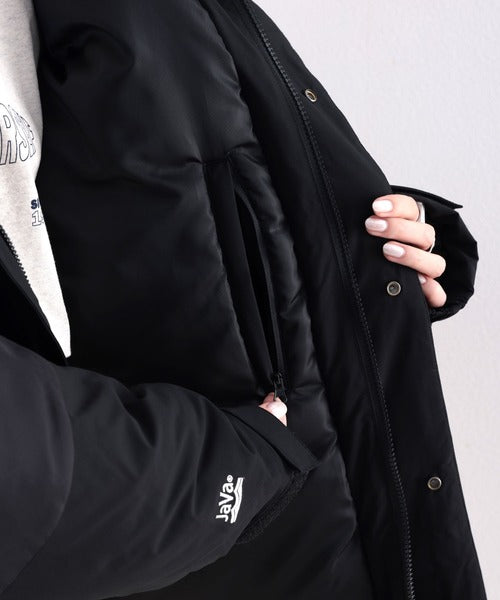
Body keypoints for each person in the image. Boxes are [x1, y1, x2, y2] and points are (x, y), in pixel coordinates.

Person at [0, 1, 486, 599]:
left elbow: (190, 206)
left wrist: (373, 259)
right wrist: (229, 469)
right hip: (213, 541)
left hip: (323, 530)